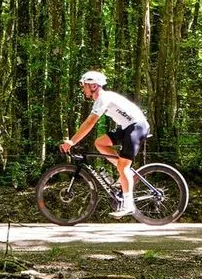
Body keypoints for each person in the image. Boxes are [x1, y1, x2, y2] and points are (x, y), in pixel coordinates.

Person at [60, 70, 150, 217]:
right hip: (127, 127)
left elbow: (90, 123)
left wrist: (72, 141)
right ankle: (124, 174)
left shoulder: (103, 98)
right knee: (100, 143)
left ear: (93, 85)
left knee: (123, 165)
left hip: (137, 127)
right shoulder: (101, 99)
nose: (83, 89)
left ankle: (129, 205)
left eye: (84, 86)